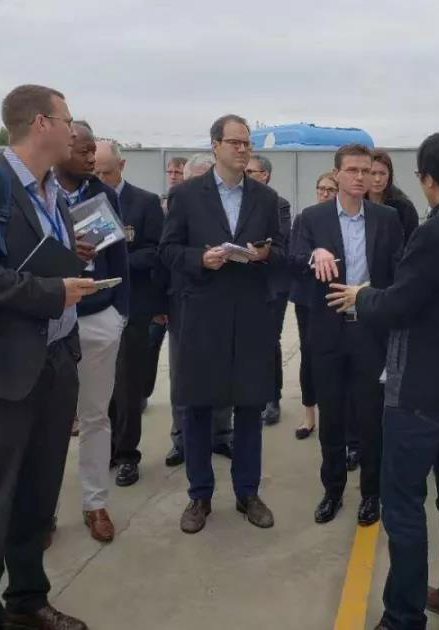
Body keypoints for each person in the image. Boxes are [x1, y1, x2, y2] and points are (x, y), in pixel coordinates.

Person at [328, 132, 439, 630]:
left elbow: (400, 306)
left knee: (404, 504)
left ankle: (403, 616)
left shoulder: (432, 235)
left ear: (427, 179)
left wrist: (362, 297)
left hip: (418, 393)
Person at [0, 84, 97, 630]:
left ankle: (28, 600)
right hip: (2, 368)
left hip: (55, 360)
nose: (74, 129)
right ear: (40, 124)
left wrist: (69, 262)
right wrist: (51, 292)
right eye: (67, 119)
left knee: (37, 496)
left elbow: (29, 258)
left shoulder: (53, 191)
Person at [159, 114, 284, 534]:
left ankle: (248, 492)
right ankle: (200, 495)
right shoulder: (187, 196)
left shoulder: (265, 199)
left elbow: (281, 252)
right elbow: (168, 251)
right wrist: (200, 258)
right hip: (202, 316)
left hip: (250, 316)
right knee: (197, 407)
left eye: (247, 143)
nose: (243, 150)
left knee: (249, 407)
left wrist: (264, 254)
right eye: (235, 143)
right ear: (215, 145)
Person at [291, 144, 404, 526]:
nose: (360, 177)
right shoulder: (312, 218)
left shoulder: (387, 218)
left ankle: (372, 494)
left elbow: (399, 271)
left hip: (370, 330)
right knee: (332, 416)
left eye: (366, 170)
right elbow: (293, 258)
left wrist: (377, 298)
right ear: (336, 173)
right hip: (327, 330)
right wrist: (315, 255)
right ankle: (333, 490)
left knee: (371, 417)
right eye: (353, 170)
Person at [57, 122, 131, 543]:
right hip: (49, 317)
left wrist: (119, 312)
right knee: (47, 422)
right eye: (84, 152)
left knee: (95, 416)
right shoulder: (35, 194)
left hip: (99, 316)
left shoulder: (103, 195)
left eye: (93, 152)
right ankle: (41, 512)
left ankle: (95, 502)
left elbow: (118, 256)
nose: (91, 159)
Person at [92, 140, 165, 487]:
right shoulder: (84, 200)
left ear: (122, 166)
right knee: (98, 385)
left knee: (128, 384)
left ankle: (126, 454)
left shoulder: (145, 202)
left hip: (133, 305)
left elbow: (157, 251)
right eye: (95, 172)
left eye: (106, 172)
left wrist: (117, 261)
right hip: (94, 305)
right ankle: (104, 449)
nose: (100, 178)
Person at [162, 152, 234, 468]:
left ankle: (221, 434)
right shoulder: (176, 204)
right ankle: (182, 439)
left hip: (224, 302)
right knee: (183, 374)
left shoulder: (230, 209)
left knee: (223, 371)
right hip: (184, 302)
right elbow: (164, 254)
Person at [245, 154, 292, 426]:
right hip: (244, 282)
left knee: (268, 341)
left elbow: (278, 242)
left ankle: (272, 398)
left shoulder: (278, 203)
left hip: (272, 284)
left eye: (252, 172)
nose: (247, 175)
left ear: (266, 175)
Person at [291, 172, 338, 439]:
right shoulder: (305, 218)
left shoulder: (343, 219)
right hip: (308, 298)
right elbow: (295, 257)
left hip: (337, 295)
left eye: (330, 189)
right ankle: (309, 414)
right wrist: (314, 257)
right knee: (308, 354)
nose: (324, 193)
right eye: (321, 188)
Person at [146, 156, 188, 413]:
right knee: (151, 347)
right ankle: (143, 392)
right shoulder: (160, 205)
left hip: (186, 292)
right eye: (170, 172)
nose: (173, 176)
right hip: (164, 291)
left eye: (178, 172)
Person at [367, 150, 420, 242]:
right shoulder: (357, 203)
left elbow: (412, 241)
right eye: (373, 173)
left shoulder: (404, 207)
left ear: (390, 175)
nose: (377, 179)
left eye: (382, 173)